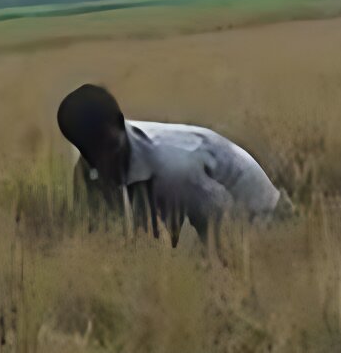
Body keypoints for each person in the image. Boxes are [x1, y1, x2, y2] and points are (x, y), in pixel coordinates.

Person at [55, 84, 287, 247]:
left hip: (257, 209)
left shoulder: (173, 166)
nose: (105, 162)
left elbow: (221, 225)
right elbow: (101, 232)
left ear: (120, 124)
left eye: (109, 148)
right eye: (93, 155)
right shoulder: (91, 161)